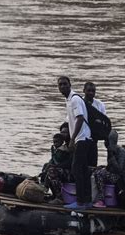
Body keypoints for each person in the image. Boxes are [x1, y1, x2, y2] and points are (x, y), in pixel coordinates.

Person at [57, 76, 94, 210]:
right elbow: (71, 121)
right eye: (60, 85)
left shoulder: (75, 100)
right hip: (83, 138)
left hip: (82, 139)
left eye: (65, 84)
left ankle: (80, 202)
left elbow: (80, 118)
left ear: (70, 85)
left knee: (77, 169)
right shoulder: (69, 100)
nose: (62, 87)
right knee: (83, 170)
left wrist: (73, 139)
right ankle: (87, 200)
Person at [91, 130, 125, 208]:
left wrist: (112, 158)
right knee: (94, 171)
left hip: (120, 178)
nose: (105, 143)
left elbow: (119, 170)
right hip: (112, 174)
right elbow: (109, 167)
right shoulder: (110, 150)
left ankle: (101, 199)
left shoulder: (121, 151)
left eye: (107, 141)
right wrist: (102, 167)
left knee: (99, 174)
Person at [40, 133, 72, 204]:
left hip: (67, 172)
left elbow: (59, 162)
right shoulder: (57, 149)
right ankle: (49, 192)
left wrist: (53, 153)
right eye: (54, 142)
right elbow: (52, 161)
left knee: (51, 171)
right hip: (59, 168)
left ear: (62, 142)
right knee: (46, 167)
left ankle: (59, 197)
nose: (55, 144)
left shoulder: (64, 150)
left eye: (57, 142)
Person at [83, 82, 106, 167]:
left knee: (93, 162)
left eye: (93, 91)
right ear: (84, 91)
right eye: (89, 90)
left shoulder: (99, 104)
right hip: (81, 137)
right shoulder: (79, 103)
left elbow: (104, 121)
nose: (91, 93)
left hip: (94, 136)